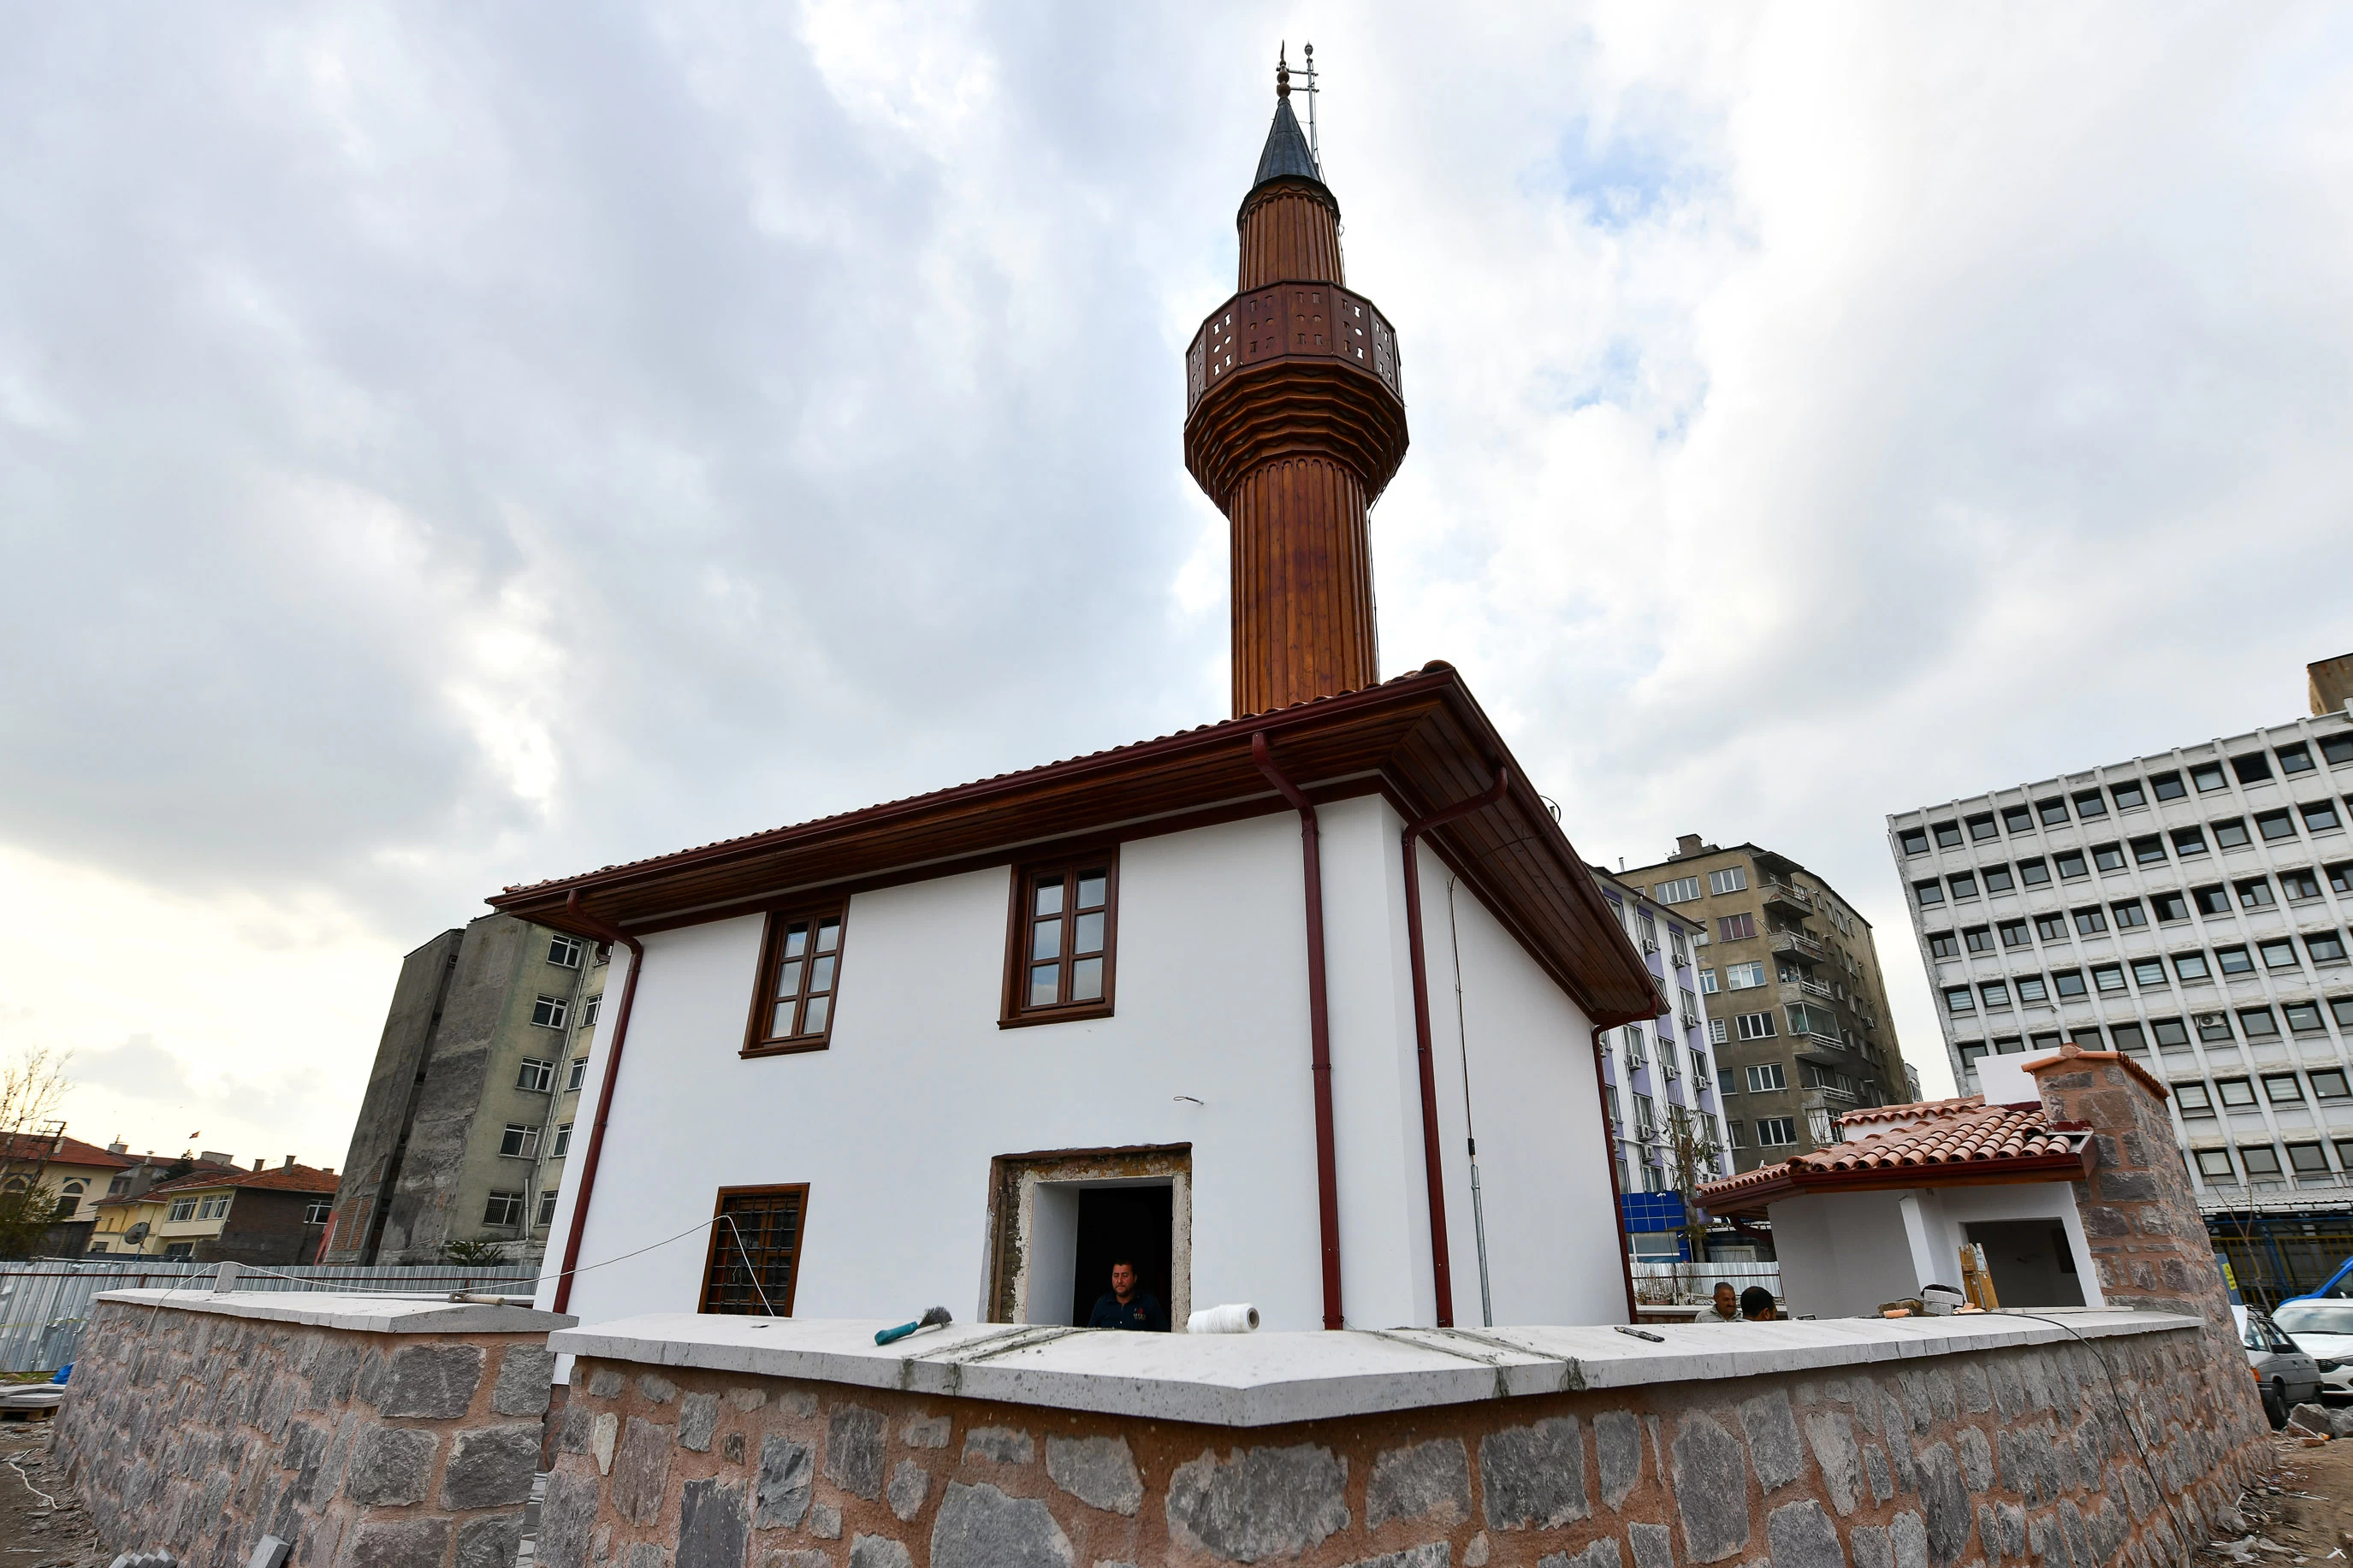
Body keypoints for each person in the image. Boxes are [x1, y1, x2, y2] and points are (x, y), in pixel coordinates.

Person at [1085, 1259, 1167, 1331]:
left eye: (1125, 1276)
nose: (1120, 1281)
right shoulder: (1102, 1303)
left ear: (1134, 1278)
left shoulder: (1149, 1303)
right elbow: (1089, 1336)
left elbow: (1164, 1336)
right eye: (1116, 1276)